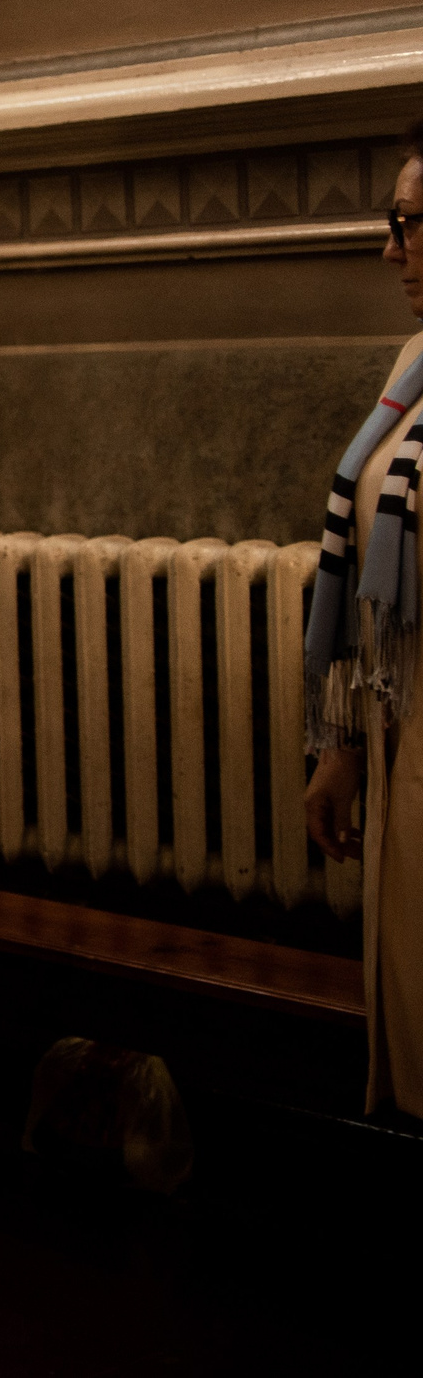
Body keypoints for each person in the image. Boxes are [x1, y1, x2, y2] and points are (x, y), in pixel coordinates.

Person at [301, 116, 423, 1118]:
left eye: (408, 223)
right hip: (400, 736)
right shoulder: (414, 361)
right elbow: (371, 565)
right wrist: (341, 739)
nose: (391, 249)